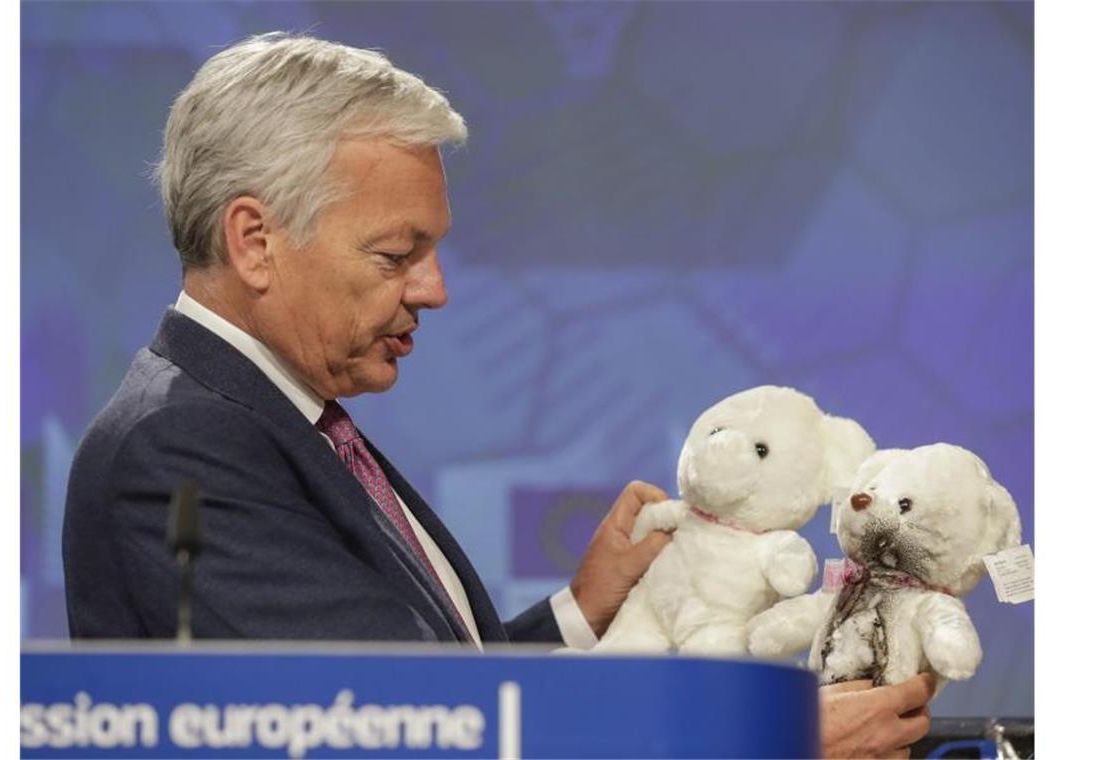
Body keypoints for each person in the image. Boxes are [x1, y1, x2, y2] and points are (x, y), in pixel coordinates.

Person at [61, 33, 933, 757]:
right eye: (395, 255)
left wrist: (578, 611)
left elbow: (428, 688)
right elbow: (402, 738)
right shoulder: (184, 446)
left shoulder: (272, 415)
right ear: (254, 241)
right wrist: (763, 739)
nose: (434, 289)